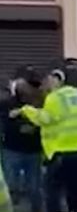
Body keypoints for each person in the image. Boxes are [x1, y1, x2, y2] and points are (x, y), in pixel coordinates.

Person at [9, 68, 77, 212]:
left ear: (55, 80)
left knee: (53, 191)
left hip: (60, 152)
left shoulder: (55, 97)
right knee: (76, 190)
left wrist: (25, 110)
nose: (45, 84)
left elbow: (45, 119)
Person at [0, 70, 43, 212]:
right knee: (18, 186)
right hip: (19, 149)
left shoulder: (40, 102)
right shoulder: (8, 102)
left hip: (24, 150)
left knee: (31, 187)